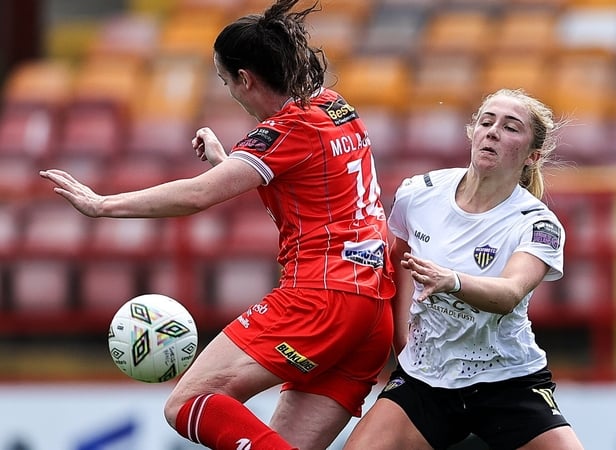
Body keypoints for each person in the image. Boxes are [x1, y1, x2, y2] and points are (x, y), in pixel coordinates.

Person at [39, 1, 395, 449]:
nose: (229, 90)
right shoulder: (335, 108)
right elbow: (313, 195)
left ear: (245, 78)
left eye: (226, 80)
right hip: (370, 311)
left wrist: (102, 204)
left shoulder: (285, 131)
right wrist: (229, 163)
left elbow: (197, 195)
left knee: (187, 402)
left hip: (320, 301)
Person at [344, 88, 585, 450]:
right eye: (486, 122)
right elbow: (401, 262)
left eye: (510, 127)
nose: (492, 132)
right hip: (425, 378)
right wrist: (402, 339)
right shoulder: (419, 193)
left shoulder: (538, 224)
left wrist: (452, 281)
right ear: (472, 133)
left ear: (532, 156)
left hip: (507, 379)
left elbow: (510, 294)